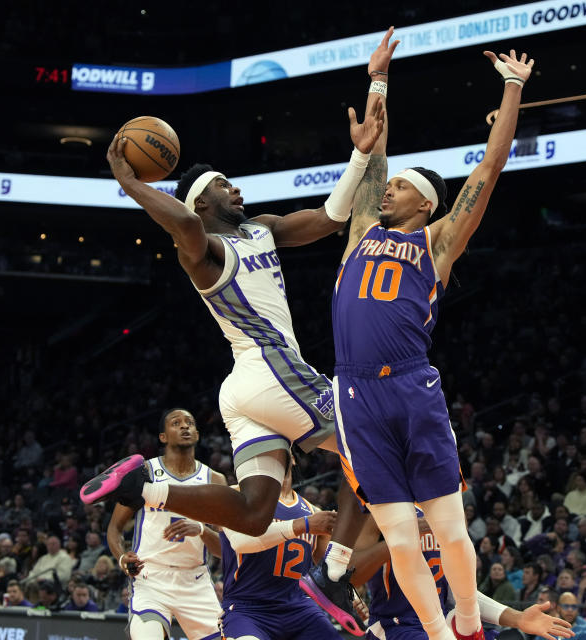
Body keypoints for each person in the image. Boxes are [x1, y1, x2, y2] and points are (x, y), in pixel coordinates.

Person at [81, 31, 394, 635]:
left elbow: (330, 218)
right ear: (204, 202)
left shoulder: (264, 228)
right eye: (226, 186)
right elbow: (179, 221)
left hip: (244, 390)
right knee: (372, 441)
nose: (239, 190)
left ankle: (148, 488)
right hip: (271, 368)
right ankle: (331, 573)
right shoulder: (204, 248)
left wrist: (359, 155)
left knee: (252, 514)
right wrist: (131, 182)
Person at [323, 39, 535, 640]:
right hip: (356, 393)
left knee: (447, 528)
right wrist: (380, 79)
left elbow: (488, 170)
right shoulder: (362, 227)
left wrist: (512, 88)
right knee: (396, 536)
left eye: (400, 187)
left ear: (426, 201)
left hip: (411, 384)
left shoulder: (438, 243)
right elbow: (374, 152)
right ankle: (441, 636)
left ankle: (468, 622)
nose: (387, 190)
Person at [349, 514, 573, 640]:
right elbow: (353, 574)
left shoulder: (448, 511)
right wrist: (400, 538)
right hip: (396, 627)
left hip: (443, 622)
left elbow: (459, 593)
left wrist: (518, 618)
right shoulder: (376, 508)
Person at [107, 408, 227, 640]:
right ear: (163, 437)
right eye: (176, 423)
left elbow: (226, 548)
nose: (184, 426)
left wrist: (201, 530)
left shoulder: (215, 480)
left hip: (195, 582)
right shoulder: (144, 473)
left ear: (197, 433)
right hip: (151, 577)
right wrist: (122, 558)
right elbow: (114, 528)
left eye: (190, 423)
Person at [217, 453, 341, 640]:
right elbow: (241, 541)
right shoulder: (235, 494)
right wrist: (304, 525)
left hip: (298, 608)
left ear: (292, 457)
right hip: (248, 609)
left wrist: (351, 598)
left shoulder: (314, 512)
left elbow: (330, 571)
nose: (270, 447)